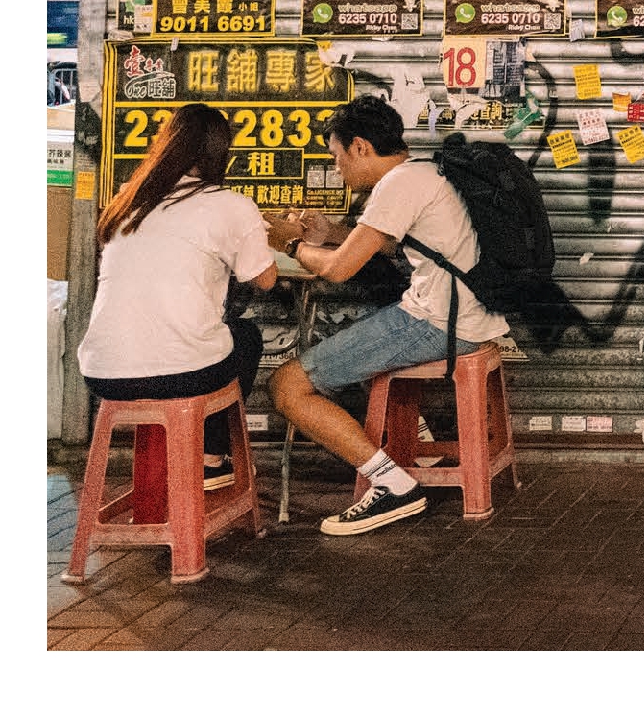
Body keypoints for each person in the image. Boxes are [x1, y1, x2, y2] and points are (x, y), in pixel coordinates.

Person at [265, 96, 508, 537]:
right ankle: (416, 445)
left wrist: (289, 243)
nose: (338, 171)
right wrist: (335, 234)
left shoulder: (397, 184)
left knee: (287, 385)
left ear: (359, 147)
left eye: (337, 158)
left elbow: (339, 270)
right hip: (465, 316)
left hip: (438, 322)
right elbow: (399, 244)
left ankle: (393, 483)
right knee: (361, 349)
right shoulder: (424, 172)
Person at [78, 105, 277, 491]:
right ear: (221, 152)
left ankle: (182, 475)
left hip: (103, 373)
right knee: (246, 337)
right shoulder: (230, 205)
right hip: (182, 375)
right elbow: (265, 279)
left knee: (203, 340)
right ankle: (210, 460)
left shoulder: (129, 202)